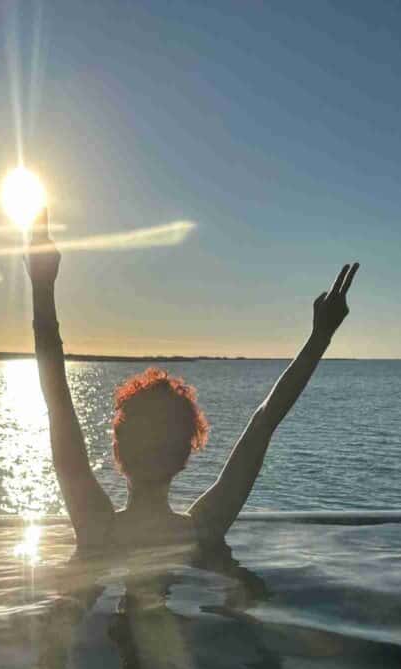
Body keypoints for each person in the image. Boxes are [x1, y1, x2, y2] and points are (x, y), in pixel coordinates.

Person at [25, 207, 359, 552]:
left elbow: (58, 403)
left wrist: (41, 286)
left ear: (117, 449)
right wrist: (320, 337)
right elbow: (265, 420)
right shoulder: (203, 530)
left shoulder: (97, 529)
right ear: (187, 452)